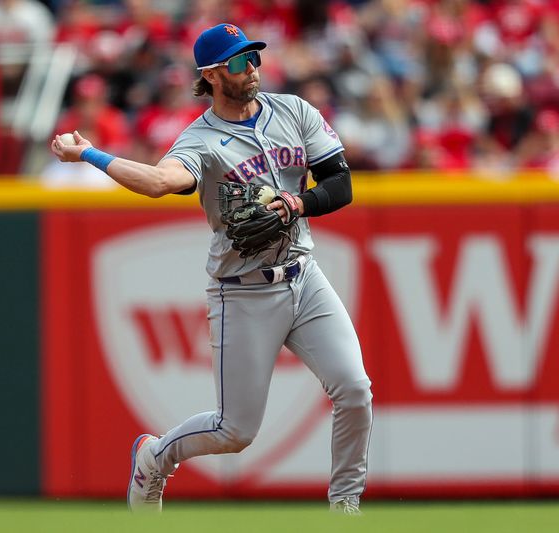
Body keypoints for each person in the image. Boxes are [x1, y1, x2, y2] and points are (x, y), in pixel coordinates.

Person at [50, 22, 373, 516]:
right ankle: (155, 457)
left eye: (254, 57)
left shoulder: (294, 111)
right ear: (214, 74)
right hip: (242, 291)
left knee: (354, 390)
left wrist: (296, 204)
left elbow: (339, 183)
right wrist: (90, 153)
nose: (253, 68)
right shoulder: (200, 140)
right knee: (235, 431)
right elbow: (159, 182)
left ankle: (345, 505)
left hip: (302, 275)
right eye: (242, 61)